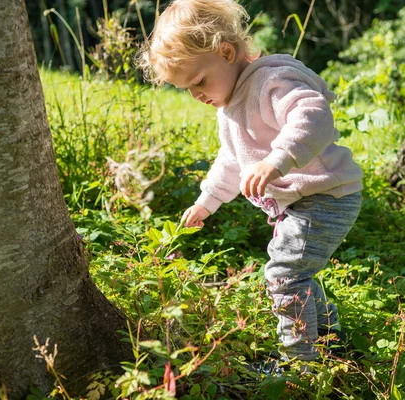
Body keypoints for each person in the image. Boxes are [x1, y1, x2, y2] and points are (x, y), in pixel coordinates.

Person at [137, 0, 363, 363]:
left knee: (284, 275)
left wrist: (278, 159)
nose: (196, 95)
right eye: (187, 90)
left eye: (199, 81)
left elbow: (314, 115)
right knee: (297, 270)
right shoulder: (228, 105)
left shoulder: (270, 81)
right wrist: (206, 201)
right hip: (308, 200)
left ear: (226, 52)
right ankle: (328, 337)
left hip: (326, 195)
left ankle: (299, 363)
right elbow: (232, 160)